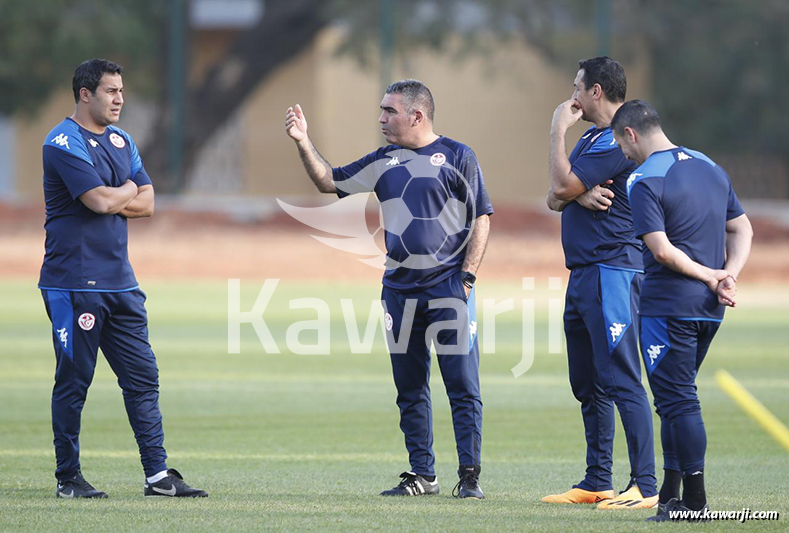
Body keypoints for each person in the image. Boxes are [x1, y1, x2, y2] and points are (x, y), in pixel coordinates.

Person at [285, 79, 493, 499]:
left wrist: (467, 278)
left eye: (389, 111)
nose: (381, 118)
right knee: (410, 387)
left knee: (462, 385)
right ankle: (422, 475)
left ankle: (469, 477)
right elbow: (329, 181)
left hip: (448, 291)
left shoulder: (457, 156)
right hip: (398, 293)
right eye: (381, 110)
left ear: (417, 116)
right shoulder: (384, 160)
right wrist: (304, 141)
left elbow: (482, 217)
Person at [40, 59, 206, 499]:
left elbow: (148, 204)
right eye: (111, 91)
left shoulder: (122, 139)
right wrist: (126, 190)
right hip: (74, 284)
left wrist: (123, 194)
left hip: (122, 284)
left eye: (121, 91)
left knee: (143, 378)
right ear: (85, 94)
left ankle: (157, 477)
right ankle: (68, 478)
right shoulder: (62, 141)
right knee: (75, 381)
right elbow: (97, 201)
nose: (120, 99)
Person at [611, 100, 752, 521]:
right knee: (672, 400)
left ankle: (695, 503)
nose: (623, 154)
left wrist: (712, 276)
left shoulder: (643, 179)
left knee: (679, 400)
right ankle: (671, 495)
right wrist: (728, 274)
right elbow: (742, 227)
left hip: (669, 305)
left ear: (631, 134)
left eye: (621, 144)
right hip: (709, 309)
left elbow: (661, 250)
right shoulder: (710, 165)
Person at [543, 57, 658, 509]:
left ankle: (646, 485)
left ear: (595, 92)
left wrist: (556, 131)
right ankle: (598, 480)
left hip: (613, 269)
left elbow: (559, 184)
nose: (570, 96)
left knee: (622, 377)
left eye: (576, 87)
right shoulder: (591, 137)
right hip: (584, 272)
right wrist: (577, 192)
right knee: (588, 380)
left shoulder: (617, 136)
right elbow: (554, 194)